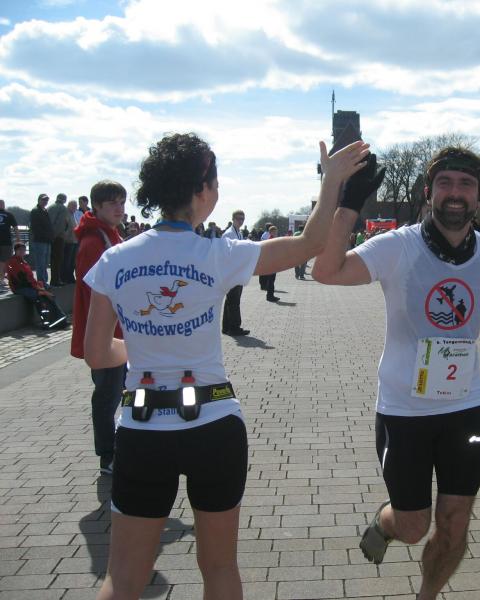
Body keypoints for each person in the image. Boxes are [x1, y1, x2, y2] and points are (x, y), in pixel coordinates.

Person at [82, 133, 369, 600]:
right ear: (202, 190)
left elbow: (96, 354)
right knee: (218, 568)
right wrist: (331, 180)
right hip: (213, 422)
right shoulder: (218, 253)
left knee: (125, 576)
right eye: (215, 183)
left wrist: (145, 347)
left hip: (142, 425)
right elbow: (311, 242)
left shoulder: (115, 258)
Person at [312, 146, 480, 600]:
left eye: (466, 184)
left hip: (464, 408)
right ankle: (387, 521)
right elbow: (327, 271)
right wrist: (348, 203)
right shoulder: (398, 246)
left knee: (454, 523)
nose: (455, 192)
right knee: (414, 526)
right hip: (404, 410)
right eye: (445, 183)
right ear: (428, 193)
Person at [72, 181, 128, 475]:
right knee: (107, 394)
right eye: (112, 203)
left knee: (116, 389)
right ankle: (107, 455)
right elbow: (92, 291)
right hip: (106, 333)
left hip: (115, 330)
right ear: (97, 206)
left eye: (122, 202)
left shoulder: (108, 234)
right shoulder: (94, 241)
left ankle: (115, 446)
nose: (120, 208)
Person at [5, 243, 69, 329]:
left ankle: (61, 320)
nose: (22, 252)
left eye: (23, 250)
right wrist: (38, 289)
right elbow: (21, 279)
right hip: (20, 288)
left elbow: (30, 278)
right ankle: (47, 322)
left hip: (29, 286)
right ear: (15, 251)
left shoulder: (23, 262)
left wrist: (39, 287)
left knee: (49, 297)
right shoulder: (12, 262)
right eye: (20, 250)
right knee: (40, 298)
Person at [222, 209, 249, 336]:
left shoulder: (238, 233)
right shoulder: (229, 234)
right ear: (233, 219)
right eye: (238, 218)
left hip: (237, 270)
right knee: (234, 301)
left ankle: (226, 327)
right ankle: (234, 327)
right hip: (232, 271)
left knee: (231, 300)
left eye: (242, 219)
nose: (240, 221)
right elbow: (226, 254)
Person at [29, 193, 54, 285]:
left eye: (46, 200)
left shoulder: (45, 211)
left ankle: (44, 281)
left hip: (47, 240)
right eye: (43, 200)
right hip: (40, 240)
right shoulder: (35, 211)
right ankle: (41, 282)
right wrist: (44, 235)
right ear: (39, 200)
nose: (45, 202)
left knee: (45, 263)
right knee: (40, 262)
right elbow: (35, 227)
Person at [48, 193, 71, 286]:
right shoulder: (63, 209)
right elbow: (61, 224)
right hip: (58, 237)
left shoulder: (50, 207)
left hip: (49, 236)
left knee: (52, 259)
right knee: (58, 259)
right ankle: (56, 280)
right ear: (64, 200)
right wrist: (58, 235)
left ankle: (53, 280)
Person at [0, 199, 20, 288]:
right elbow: (15, 228)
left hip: (6, 241)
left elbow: (15, 227)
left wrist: (18, 239)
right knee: (4, 260)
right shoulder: (9, 214)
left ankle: (1, 277)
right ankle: (1, 278)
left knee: (4, 261)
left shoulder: (9, 215)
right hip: (6, 241)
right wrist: (18, 238)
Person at [62, 200, 80, 283]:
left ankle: (70, 277)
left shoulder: (73, 215)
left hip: (74, 241)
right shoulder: (66, 214)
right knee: (67, 261)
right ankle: (65, 277)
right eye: (73, 206)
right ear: (69, 205)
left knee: (72, 261)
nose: (75, 208)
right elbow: (65, 228)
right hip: (68, 241)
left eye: (76, 206)